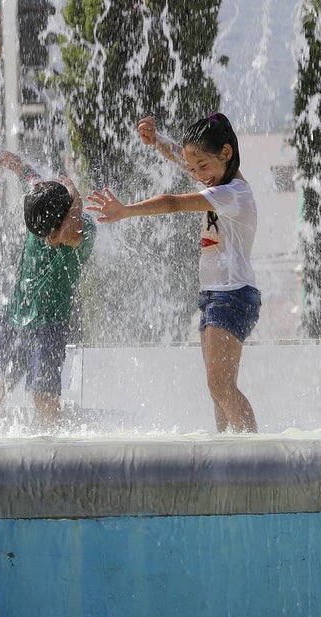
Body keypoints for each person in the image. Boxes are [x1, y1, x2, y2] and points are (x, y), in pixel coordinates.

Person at [86, 113, 260, 433]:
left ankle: (255, 453)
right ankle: (225, 447)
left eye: (202, 167)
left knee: (220, 385)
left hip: (232, 295)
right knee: (217, 388)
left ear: (226, 153)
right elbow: (185, 160)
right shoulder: (219, 181)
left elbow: (172, 203)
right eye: (194, 170)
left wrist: (126, 211)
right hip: (215, 295)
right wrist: (159, 143)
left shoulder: (232, 193)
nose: (197, 174)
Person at [0, 127, 96, 433]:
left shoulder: (83, 229)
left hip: (50, 325)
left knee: (44, 398)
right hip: (14, 318)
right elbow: (22, 167)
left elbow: (70, 234)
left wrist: (74, 195)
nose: (43, 240)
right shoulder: (39, 198)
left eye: (47, 235)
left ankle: (54, 460)